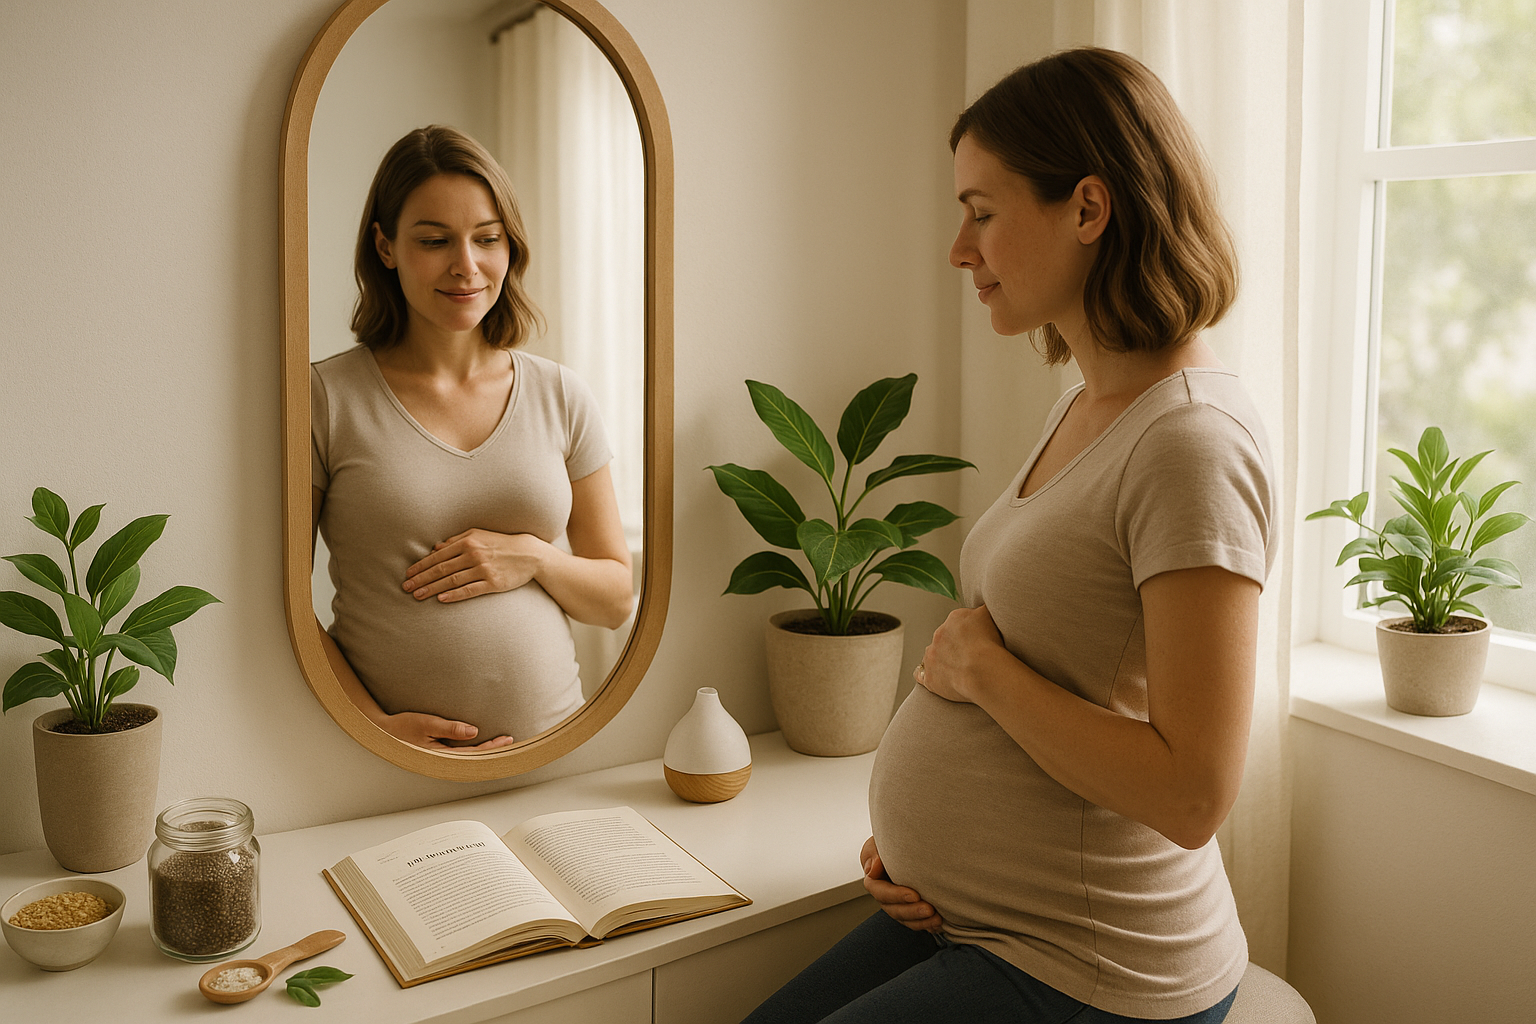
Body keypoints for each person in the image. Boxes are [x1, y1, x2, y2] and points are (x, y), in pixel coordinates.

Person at [742, 48, 1274, 1024]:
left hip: (1098, 962)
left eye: (981, 212)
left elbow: (1195, 792)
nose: (958, 247)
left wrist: (985, 674)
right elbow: (1062, 651)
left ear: (1087, 208)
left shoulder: (1192, 439)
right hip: (979, 915)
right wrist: (926, 843)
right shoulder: (1094, 403)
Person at [311, 125, 634, 751]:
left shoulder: (560, 394)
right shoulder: (328, 398)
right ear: (385, 247)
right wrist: (372, 727)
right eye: (434, 241)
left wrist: (534, 557)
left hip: (556, 747)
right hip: (388, 764)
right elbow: (282, 607)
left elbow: (616, 598)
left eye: (487, 239)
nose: (466, 265)